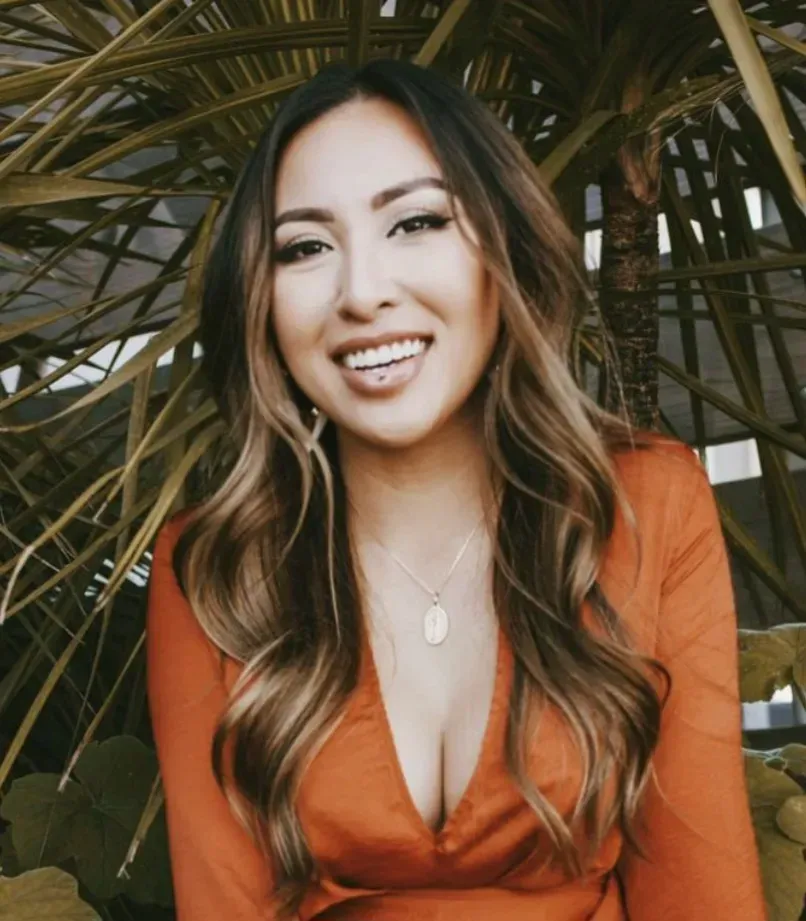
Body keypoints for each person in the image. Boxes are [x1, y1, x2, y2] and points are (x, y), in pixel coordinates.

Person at [145, 59, 767, 921]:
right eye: (306, 246)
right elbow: (222, 905)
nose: (363, 292)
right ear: (259, 297)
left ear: (502, 248)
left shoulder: (648, 504)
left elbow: (703, 894)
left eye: (416, 222)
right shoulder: (210, 565)